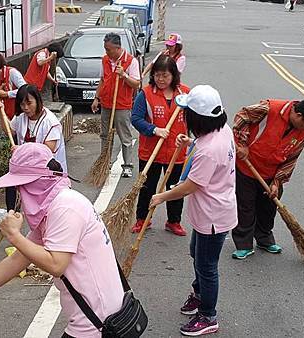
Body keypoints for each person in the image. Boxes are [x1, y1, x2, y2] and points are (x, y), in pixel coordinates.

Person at [0, 143, 125, 338]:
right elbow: (18, 259)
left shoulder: (65, 208)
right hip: (92, 317)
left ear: (38, 182)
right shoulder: (54, 208)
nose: (20, 192)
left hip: (97, 322)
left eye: (22, 185)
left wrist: (14, 236)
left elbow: (56, 264)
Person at [150, 85, 237, 336]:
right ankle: (199, 294)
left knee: (207, 265)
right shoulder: (220, 130)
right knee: (196, 254)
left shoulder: (210, 150)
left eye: (187, 112)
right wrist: (190, 143)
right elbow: (202, 150)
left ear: (197, 118)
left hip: (213, 217)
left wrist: (160, 197)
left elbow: (189, 186)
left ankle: (208, 315)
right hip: (209, 212)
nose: (184, 116)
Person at [230, 98, 304, 260]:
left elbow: (292, 156)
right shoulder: (270, 108)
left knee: (269, 206)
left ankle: (264, 239)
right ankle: (243, 244)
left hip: (272, 171)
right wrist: (242, 143)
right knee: (246, 207)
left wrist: (277, 182)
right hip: (247, 166)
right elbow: (242, 116)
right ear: (299, 115)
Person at [130, 55, 190, 236]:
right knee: (147, 187)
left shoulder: (186, 94)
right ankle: (142, 219)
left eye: (165, 76)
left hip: (176, 151)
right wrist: (154, 129)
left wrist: (188, 138)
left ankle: (173, 221)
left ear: (173, 75)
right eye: (157, 75)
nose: (161, 80)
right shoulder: (146, 94)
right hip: (151, 152)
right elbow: (136, 118)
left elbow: (194, 119)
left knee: (175, 188)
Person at [0, 84, 68, 211]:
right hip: (27, 168)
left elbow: (47, 150)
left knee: (46, 208)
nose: (26, 108)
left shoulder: (51, 122)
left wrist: (22, 150)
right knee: (11, 187)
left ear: (38, 100)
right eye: (22, 105)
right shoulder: (21, 117)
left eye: (29, 103)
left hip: (47, 173)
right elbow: (10, 131)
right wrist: (1, 113)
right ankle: (11, 215)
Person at [91, 32, 141, 178]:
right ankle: (105, 163)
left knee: (125, 137)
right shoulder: (105, 60)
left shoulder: (131, 61)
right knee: (105, 135)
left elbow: (136, 84)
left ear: (118, 48)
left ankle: (127, 166)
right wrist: (96, 98)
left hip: (122, 106)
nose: (106, 52)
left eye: (109, 49)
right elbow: (102, 80)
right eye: (105, 49)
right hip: (106, 103)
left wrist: (124, 75)